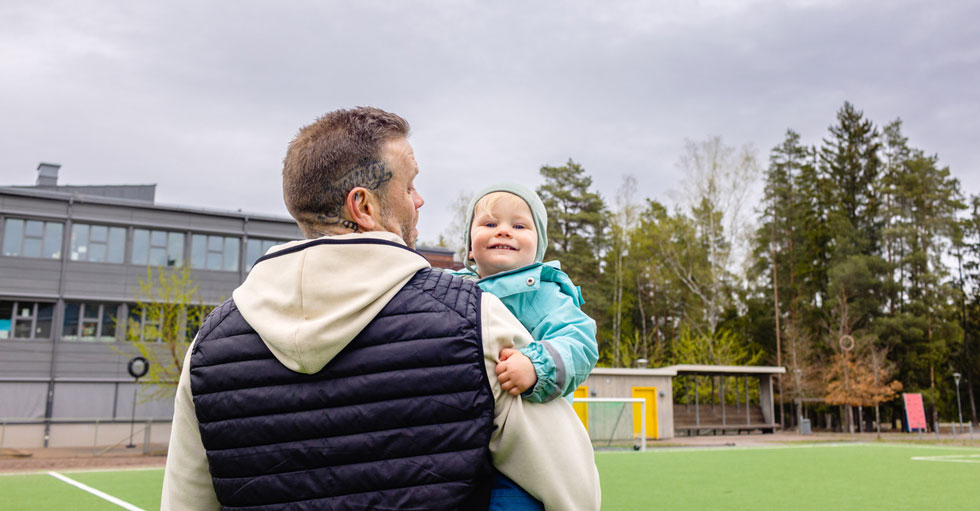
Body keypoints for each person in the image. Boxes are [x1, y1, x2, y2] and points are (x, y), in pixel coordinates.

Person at [161, 107, 600, 511]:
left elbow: (185, 500)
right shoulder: (476, 319)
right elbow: (573, 490)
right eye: (408, 186)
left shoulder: (210, 344)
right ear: (364, 206)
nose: (420, 200)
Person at [451, 184, 599, 510]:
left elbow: (580, 341)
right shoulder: (452, 289)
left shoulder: (542, 294)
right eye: (490, 224)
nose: (504, 231)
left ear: (538, 248)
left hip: (526, 448)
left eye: (519, 226)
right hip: (465, 440)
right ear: (470, 248)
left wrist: (536, 365)